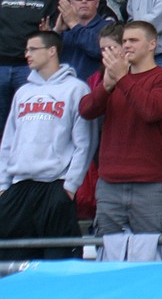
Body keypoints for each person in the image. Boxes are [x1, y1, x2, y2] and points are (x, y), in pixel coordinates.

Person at [78, 21, 162, 244]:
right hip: (109, 184)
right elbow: (86, 110)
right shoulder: (115, 80)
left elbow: (151, 111)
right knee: (108, 257)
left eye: (133, 40)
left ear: (152, 44)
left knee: (158, 256)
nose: (126, 45)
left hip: (152, 185)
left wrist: (122, 79)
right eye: (124, 41)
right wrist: (106, 86)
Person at [0, 31, 93, 261]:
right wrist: (3, 184)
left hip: (55, 185)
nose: (26, 55)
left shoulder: (76, 89)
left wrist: (70, 185)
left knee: (58, 257)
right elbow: (8, 141)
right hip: (19, 184)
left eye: (32, 49)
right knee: (12, 259)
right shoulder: (23, 92)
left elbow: (85, 142)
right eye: (26, 50)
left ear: (52, 51)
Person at [0, 0, 60, 137]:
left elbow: (56, 35)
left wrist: (50, 33)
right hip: (1, 65)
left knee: (28, 120)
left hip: (30, 69)